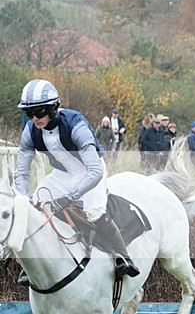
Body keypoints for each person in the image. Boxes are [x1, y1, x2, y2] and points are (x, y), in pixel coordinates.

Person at [14, 79, 140, 286]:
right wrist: (24, 200)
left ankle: (124, 256)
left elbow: (94, 170)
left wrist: (68, 197)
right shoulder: (30, 130)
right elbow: (22, 172)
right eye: (29, 113)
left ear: (53, 108)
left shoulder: (75, 124)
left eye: (39, 111)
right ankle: (32, 265)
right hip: (62, 173)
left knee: (94, 211)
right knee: (36, 205)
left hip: (90, 171)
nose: (34, 118)